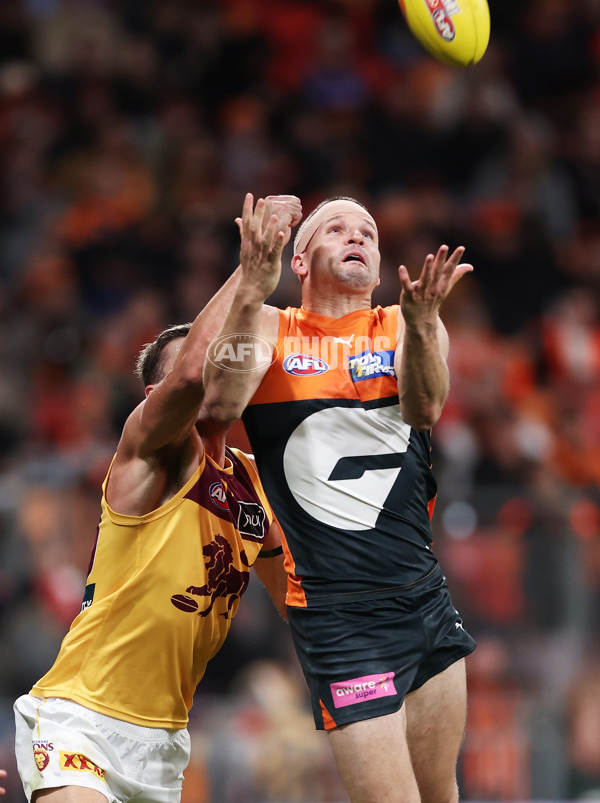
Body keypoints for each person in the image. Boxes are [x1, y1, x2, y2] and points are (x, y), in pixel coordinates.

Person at [13, 195, 301, 803]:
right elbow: (193, 375)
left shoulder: (256, 486)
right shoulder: (153, 450)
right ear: (153, 395)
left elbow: (298, 604)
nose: (227, 358)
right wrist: (251, 277)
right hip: (80, 718)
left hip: (164, 743)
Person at [202, 194, 478, 803]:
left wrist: (427, 321)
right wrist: (251, 285)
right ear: (299, 260)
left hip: (423, 596)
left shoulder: (403, 324)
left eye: (368, 233)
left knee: (442, 794)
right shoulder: (273, 326)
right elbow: (218, 406)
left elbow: (426, 407)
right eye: (336, 229)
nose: (357, 237)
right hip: (340, 619)